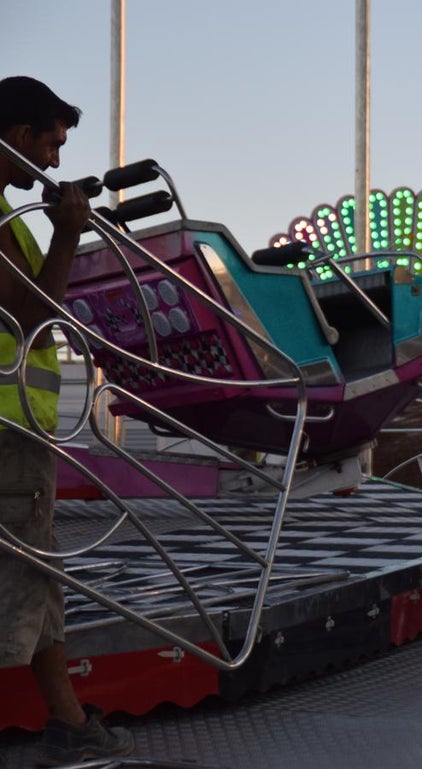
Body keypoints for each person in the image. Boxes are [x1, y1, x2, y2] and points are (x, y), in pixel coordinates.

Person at [0, 76, 133, 763]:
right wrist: (67, 235)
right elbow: (30, 315)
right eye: (48, 145)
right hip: (6, 428)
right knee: (25, 576)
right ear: (20, 137)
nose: (52, 164)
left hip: (21, 427)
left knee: (40, 571)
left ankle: (68, 719)